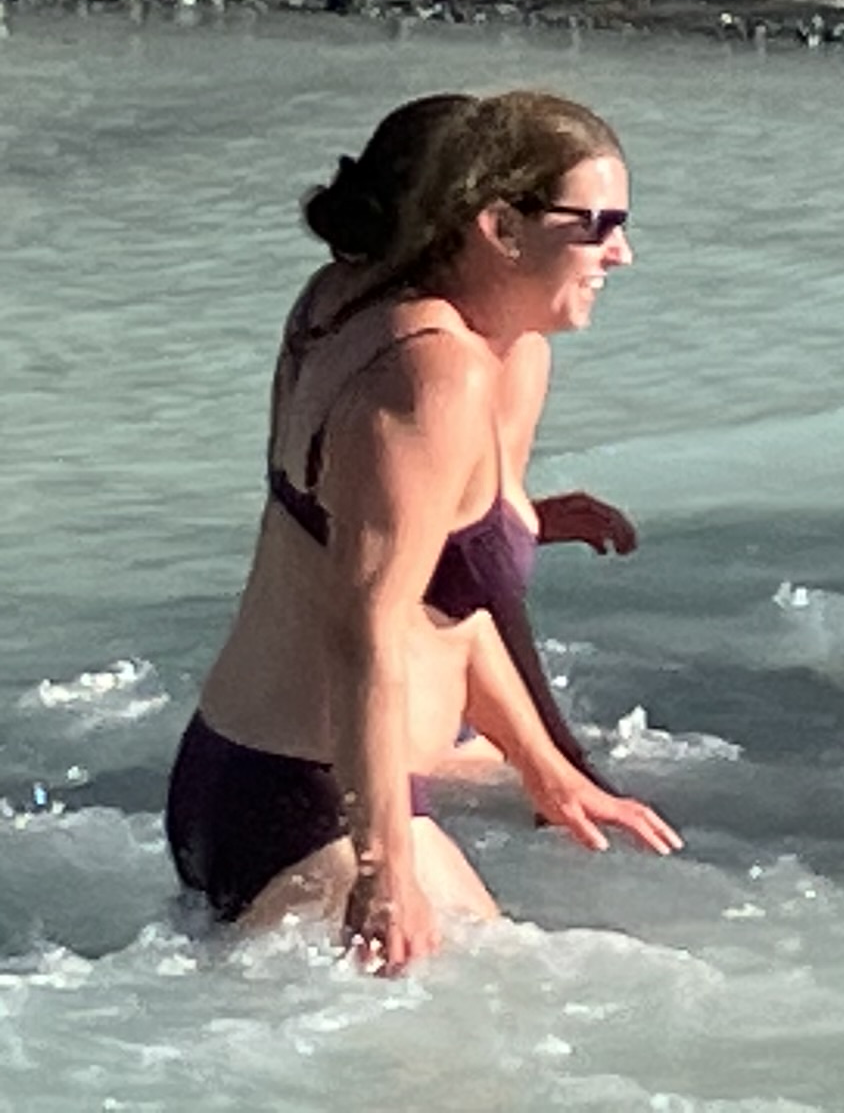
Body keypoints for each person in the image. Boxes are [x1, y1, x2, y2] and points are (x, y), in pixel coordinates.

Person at [169, 90, 681, 967]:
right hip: (319, 805)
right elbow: (364, 629)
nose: (621, 252)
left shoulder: (346, 304)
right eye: (596, 225)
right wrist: (385, 871)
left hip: (247, 771)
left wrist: (546, 767)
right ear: (500, 227)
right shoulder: (433, 373)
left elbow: (429, 601)